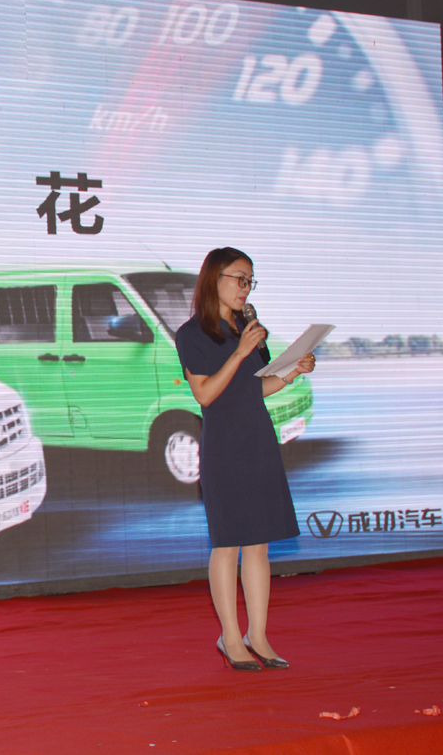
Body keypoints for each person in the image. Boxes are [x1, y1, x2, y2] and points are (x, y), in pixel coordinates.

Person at [175, 247, 316, 671]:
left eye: (250, 280)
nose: (245, 288)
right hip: (224, 446)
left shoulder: (246, 327)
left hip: (258, 439)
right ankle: (230, 638)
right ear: (214, 278)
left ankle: (259, 634)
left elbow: (254, 389)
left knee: (259, 543)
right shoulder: (192, 334)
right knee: (228, 542)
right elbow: (205, 394)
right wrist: (239, 351)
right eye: (239, 278)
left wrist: (293, 372)